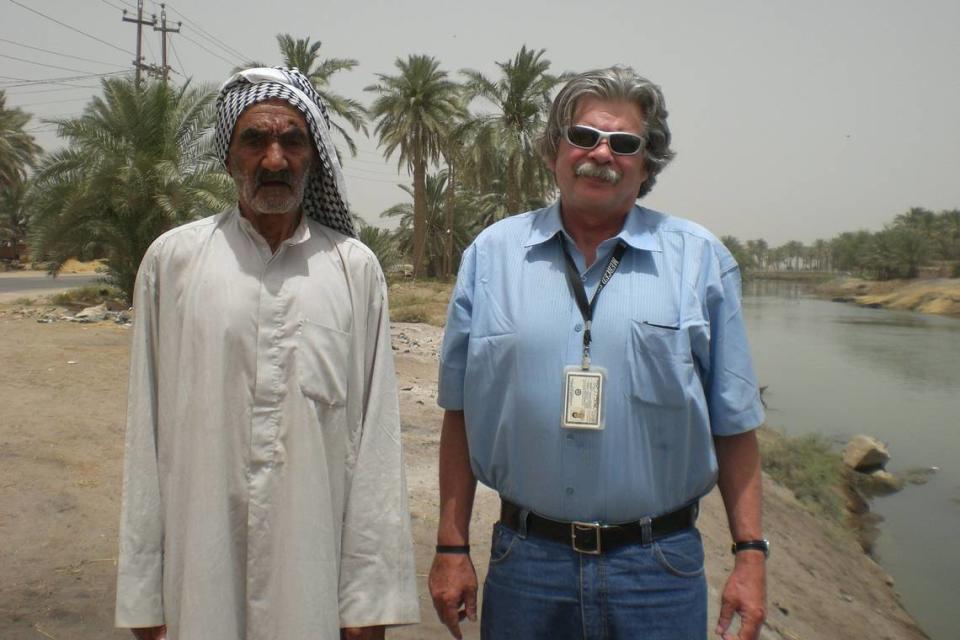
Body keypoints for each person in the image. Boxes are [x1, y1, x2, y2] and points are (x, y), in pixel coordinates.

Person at [429, 65, 768, 640]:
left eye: (624, 143)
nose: (601, 153)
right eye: (584, 136)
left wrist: (751, 556)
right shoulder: (491, 257)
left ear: (648, 160)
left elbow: (734, 423)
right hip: (526, 565)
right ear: (554, 148)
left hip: (658, 570)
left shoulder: (699, 259)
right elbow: (460, 411)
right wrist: (450, 543)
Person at [115, 67, 418, 640]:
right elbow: (145, 435)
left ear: (315, 157)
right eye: (255, 140)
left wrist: (368, 604)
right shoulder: (173, 263)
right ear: (228, 156)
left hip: (312, 580)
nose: (274, 160)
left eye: (293, 141)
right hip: (199, 578)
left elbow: (378, 445)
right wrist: (143, 597)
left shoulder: (353, 271)